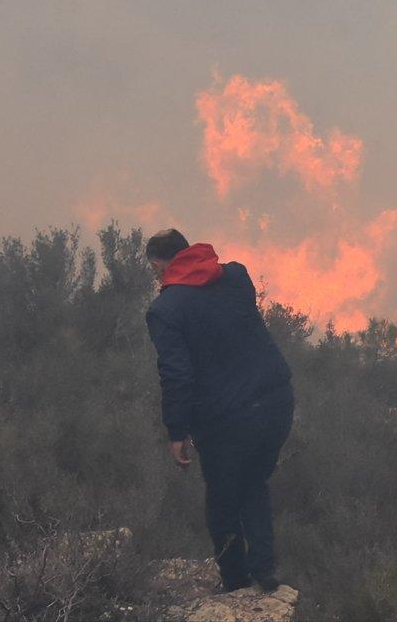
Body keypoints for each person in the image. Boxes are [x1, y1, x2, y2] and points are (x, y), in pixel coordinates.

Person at [144, 229, 294, 593]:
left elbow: (176, 375)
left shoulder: (166, 310)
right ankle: (265, 570)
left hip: (227, 418)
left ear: (161, 264)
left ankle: (236, 581)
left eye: (153, 268)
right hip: (275, 403)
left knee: (223, 498)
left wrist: (176, 431)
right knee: (254, 482)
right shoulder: (237, 279)